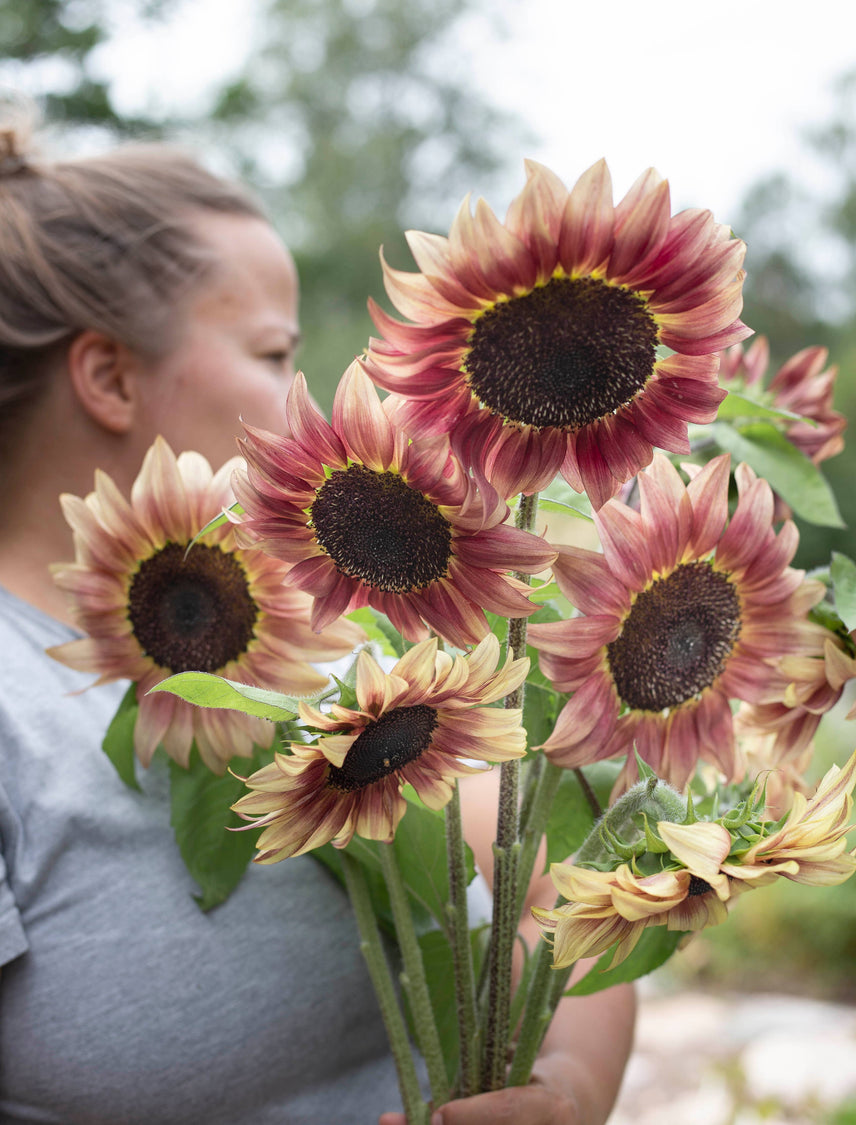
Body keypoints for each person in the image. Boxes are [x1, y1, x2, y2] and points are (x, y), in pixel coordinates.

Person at [0, 103, 635, 1124]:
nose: (302, 393)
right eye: (271, 352)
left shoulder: (320, 638)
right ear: (109, 376)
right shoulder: (18, 705)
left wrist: (566, 1090)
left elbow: (549, 888)